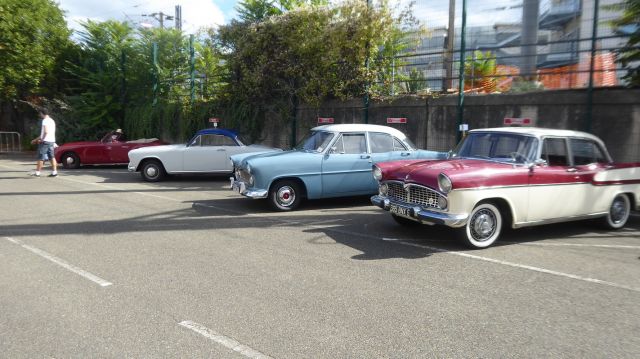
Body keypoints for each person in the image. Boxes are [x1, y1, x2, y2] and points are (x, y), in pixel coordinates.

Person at [30, 107, 58, 177]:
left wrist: (42, 140)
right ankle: (54, 172)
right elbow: (43, 134)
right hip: (51, 141)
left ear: (42, 113)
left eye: (40, 113)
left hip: (45, 142)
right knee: (52, 157)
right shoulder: (52, 120)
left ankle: (37, 173)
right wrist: (35, 140)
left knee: (40, 157)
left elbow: (45, 132)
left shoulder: (45, 120)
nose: (39, 115)